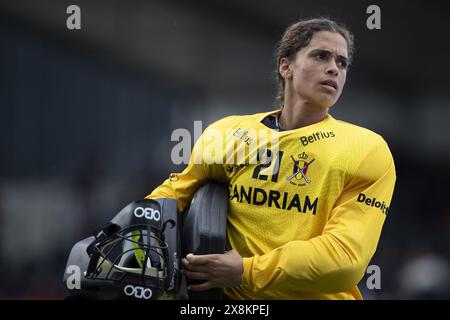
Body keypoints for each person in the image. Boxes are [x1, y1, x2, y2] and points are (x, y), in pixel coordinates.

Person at [146, 17, 396, 300]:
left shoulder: (367, 150)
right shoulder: (228, 133)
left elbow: (345, 260)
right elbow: (169, 200)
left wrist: (246, 271)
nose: (333, 69)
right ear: (285, 66)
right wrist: (125, 231)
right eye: (320, 56)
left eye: (342, 63)